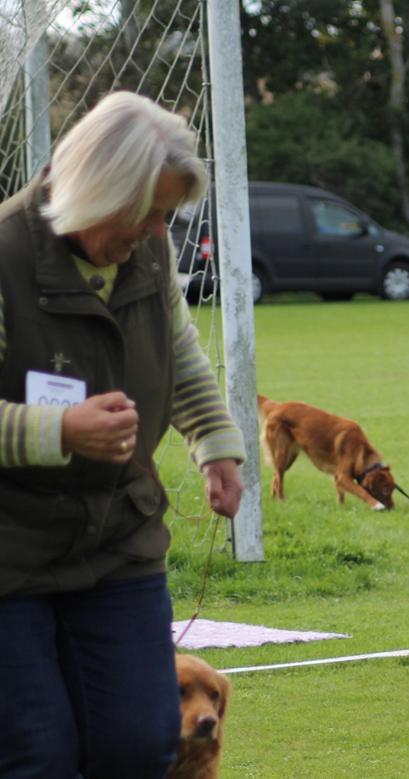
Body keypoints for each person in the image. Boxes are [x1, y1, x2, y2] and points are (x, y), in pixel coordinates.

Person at [0, 91, 246, 779]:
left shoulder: (149, 251)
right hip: (8, 554)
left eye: (165, 214)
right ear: (97, 186)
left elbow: (176, 347)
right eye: (146, 211)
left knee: (142, 744)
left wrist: (216, 442)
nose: (154, 229)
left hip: (117, 539)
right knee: (37, 755)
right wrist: (58, 430)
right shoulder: (5, 254)